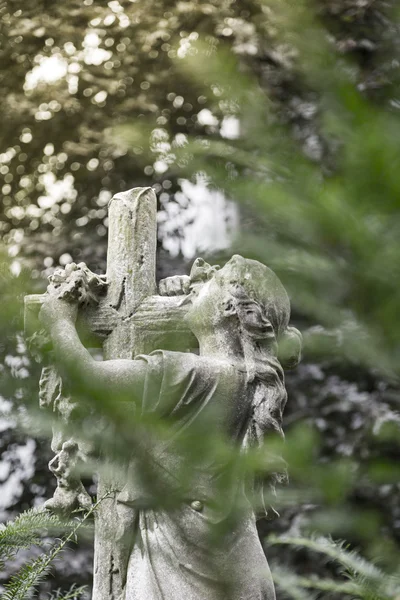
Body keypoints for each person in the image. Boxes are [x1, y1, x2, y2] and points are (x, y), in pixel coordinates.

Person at [41, 254, 301, 600]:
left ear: (227, 306)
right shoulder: (242, 379)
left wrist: (59, 319)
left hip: (186, 567)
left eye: (213, 278)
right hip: (236, 565)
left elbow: (88, 378)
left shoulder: (192, 374)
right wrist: (194, 290)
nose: (198, 276)